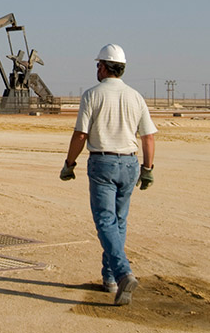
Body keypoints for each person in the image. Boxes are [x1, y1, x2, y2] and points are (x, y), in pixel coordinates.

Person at [61, 43, 156, 306]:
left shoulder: (92, 95)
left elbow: (80, 134)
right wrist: (148, 169)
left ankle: (124, 273)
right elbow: (148, 136)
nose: (96, 69)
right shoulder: (136, 97)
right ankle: (110, 278)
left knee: (105, 221)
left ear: (103, 67)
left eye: (97, 65)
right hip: (130, 163)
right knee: (119, 221)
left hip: (102, 164)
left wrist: (69, 163)